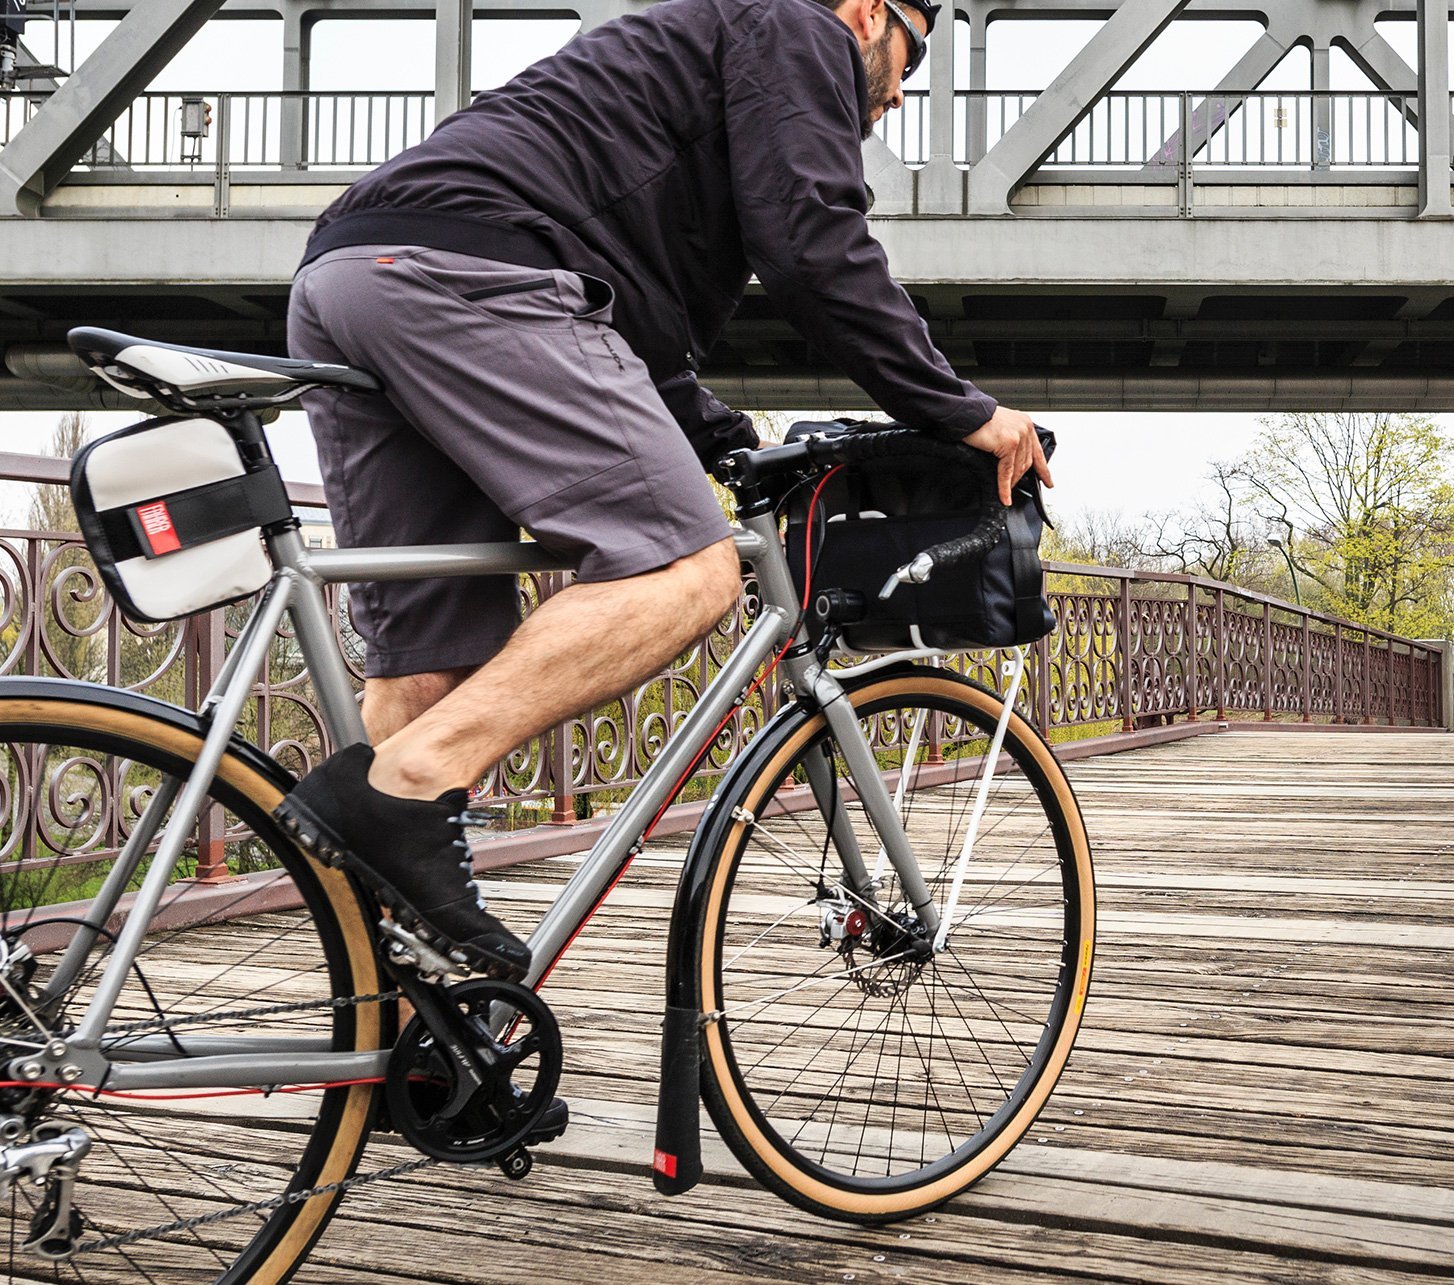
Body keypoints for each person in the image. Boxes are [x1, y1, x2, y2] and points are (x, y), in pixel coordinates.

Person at [280, 0, 1052, 985]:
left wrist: (727, 440)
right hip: (476, 277)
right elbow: (814, 249)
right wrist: (962, 410)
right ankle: (407, 788)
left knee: (427, 669)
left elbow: (631, 328)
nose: (898, 92)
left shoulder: (681, 71)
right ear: (864, 12)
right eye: (907, 53)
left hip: (355, 274)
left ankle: (417, 1023)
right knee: (687, 570)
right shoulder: (794, 27)